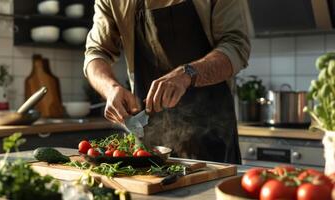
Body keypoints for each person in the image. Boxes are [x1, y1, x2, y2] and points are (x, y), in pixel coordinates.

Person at [84, 0, 250, 164]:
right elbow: (96, 52)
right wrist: (110, 88)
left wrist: (187, 73)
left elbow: (236, 46)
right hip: (148, 136)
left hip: (212, 132)